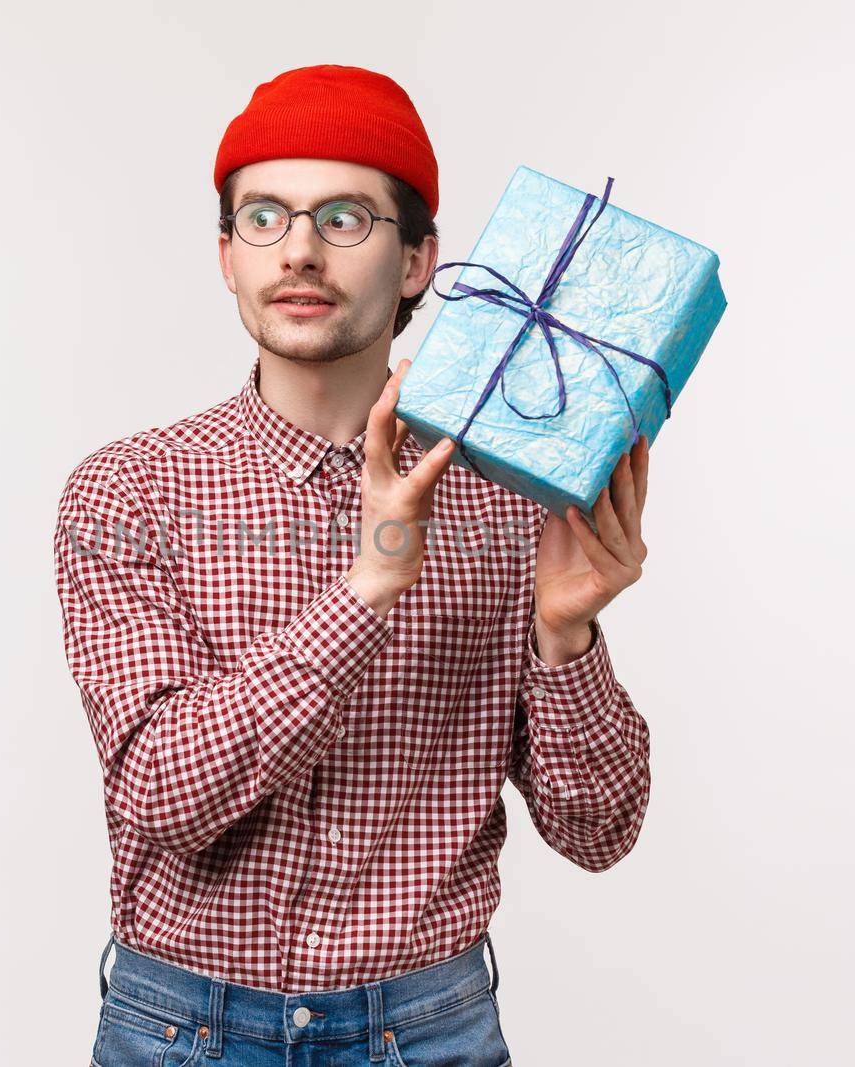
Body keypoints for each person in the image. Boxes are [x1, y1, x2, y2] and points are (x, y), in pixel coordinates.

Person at [54, 63, 653, 1067]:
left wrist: (566, 636)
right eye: (264, 218)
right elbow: (164, 794)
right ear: (225, 255)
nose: (297, 249)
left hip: (424, 1031)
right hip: (176, 1032)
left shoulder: (513, 497)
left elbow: (599, 830)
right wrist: (368, 584)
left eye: (343, 219)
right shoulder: (128, 491)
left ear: (417, 260)